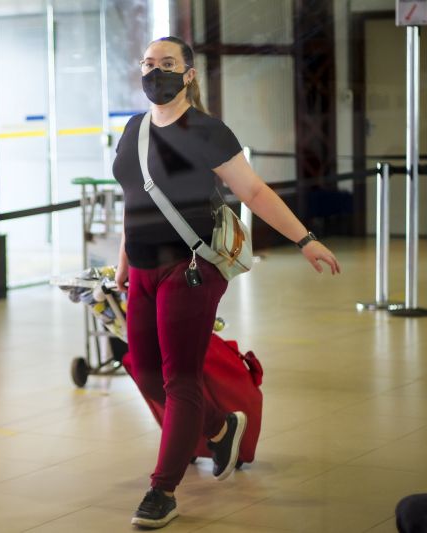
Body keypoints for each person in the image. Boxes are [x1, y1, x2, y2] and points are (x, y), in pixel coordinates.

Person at [112, 36, 341, 529]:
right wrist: (122, 268)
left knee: (180, 379)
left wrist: (306, 240)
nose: (156, 72)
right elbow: (132, 202)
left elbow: (254, 191)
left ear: (189, 74)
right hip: (144, 271)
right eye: (149, 64)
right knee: (145, 371)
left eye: (167, 64)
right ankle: (221, 427)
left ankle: (162, 490)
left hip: (191, 269)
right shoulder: (133, 129)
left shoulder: (208, 131)